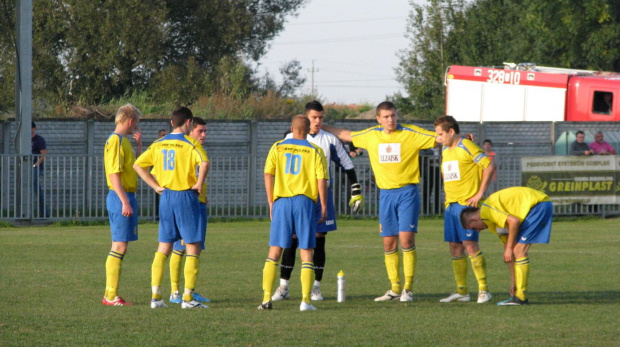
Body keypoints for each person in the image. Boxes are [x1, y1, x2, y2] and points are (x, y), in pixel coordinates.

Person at [322, 101, 436, 302]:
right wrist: (321, 126)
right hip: (385, 195)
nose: (390, 120)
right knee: (388, 243)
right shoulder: (371, 135)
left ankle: (408, 289)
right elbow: (345, 135)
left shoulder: (411, 133)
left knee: (406, 240)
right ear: (378, 119)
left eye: (393, 115)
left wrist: (462, 138)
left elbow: (440, 137)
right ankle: (394, 289)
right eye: (386, 117)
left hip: (407, 192)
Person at [272, 101, 364, 302]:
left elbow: (347, 165)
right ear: (305, 119)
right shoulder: (287, 139)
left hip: (321, 195)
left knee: (318, 241)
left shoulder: (329, 139)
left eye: (321, 117)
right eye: (314, 117)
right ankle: (284, 286)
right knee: (292, 240)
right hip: (296, 196)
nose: (318, 121)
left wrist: (355, 189)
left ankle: (316, 287)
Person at [134, 106, 209, 309]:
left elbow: (138, 165)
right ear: (188, 123)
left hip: (166, 196)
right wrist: (199, 184)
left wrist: (155, 186)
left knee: (164, 247)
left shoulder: (159, 143)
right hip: (185, 196)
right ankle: (187, 298)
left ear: (171, 123)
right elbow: (204, 162)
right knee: (192, 246)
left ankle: (156, 297)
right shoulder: (190, 143)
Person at [259, 115, 328, 311]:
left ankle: (265, 299)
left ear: (291, 128)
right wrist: (323, 206)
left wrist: (271, 201)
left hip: (281, 202)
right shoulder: (315, 150)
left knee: (275, 251)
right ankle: (305, 301)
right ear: (307, 130)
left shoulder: (278, 146)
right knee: (306, 251)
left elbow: (267, 173)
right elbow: (321, 180)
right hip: (304, 202)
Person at [434, 116, 494, 304]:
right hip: (451, 205)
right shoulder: (445, 148)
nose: (438, 138)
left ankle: (484, 290)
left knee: (470, 245)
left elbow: (489, 166)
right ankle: (462, 291)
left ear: (451, 132)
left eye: (440, 134)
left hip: (466, 205)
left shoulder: (466, 146)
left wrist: (479, 194)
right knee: (454, 246)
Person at [460, 187, 553, 306]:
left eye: (474, 228)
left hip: (538, 205)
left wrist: (509, 249)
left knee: (519, 251)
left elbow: (514, 222)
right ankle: (518, 295)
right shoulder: (492, 223)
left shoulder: (487, 211)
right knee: (516, 251)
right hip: (537, 206)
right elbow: (509, 253)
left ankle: (521, 298)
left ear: (473, 220)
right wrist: (513, 282)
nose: (477, 231)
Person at [102, 104, 142, 306]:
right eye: (136, 124)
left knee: (120, 245)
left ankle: (111, 294)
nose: (135, 128)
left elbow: (130, 168)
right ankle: (110, 295)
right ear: (130, 121)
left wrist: (139, 147)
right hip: (121, 197)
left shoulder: (122, 141)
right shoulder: (116, 141)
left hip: (124, 196)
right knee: (119, 245)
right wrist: (125, 201)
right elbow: (114, 174)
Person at [168, 117, 211, 305]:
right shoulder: (187, 149)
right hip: (187, 204)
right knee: (180, 248)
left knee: (195, 249)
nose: (204, 135)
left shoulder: (196, 149)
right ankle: (175, 292)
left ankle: (189, 291)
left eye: (205, 131)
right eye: (200, 131)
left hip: (198, 204)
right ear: (190, 129)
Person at [31, 121, 49, 217]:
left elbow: (43, 154)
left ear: (34, 128)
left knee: (37, 190)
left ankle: (44, 213)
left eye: (31, 128)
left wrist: (35, 165)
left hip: (35, 168)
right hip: (27, 168)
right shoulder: (25, 140)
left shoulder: (39, 140)